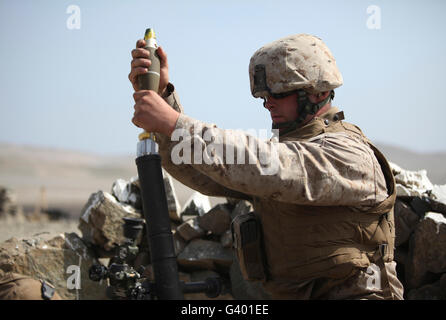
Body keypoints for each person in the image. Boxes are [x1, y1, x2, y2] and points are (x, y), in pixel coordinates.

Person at [128, 33, 404, 299]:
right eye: (262, 96)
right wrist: (163, 96)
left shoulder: (348, 152)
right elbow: (204, 173)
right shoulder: (287, 150)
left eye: (279, 93)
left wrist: (175, 124)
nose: (267, 103)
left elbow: (273, 167)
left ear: (318, 92)